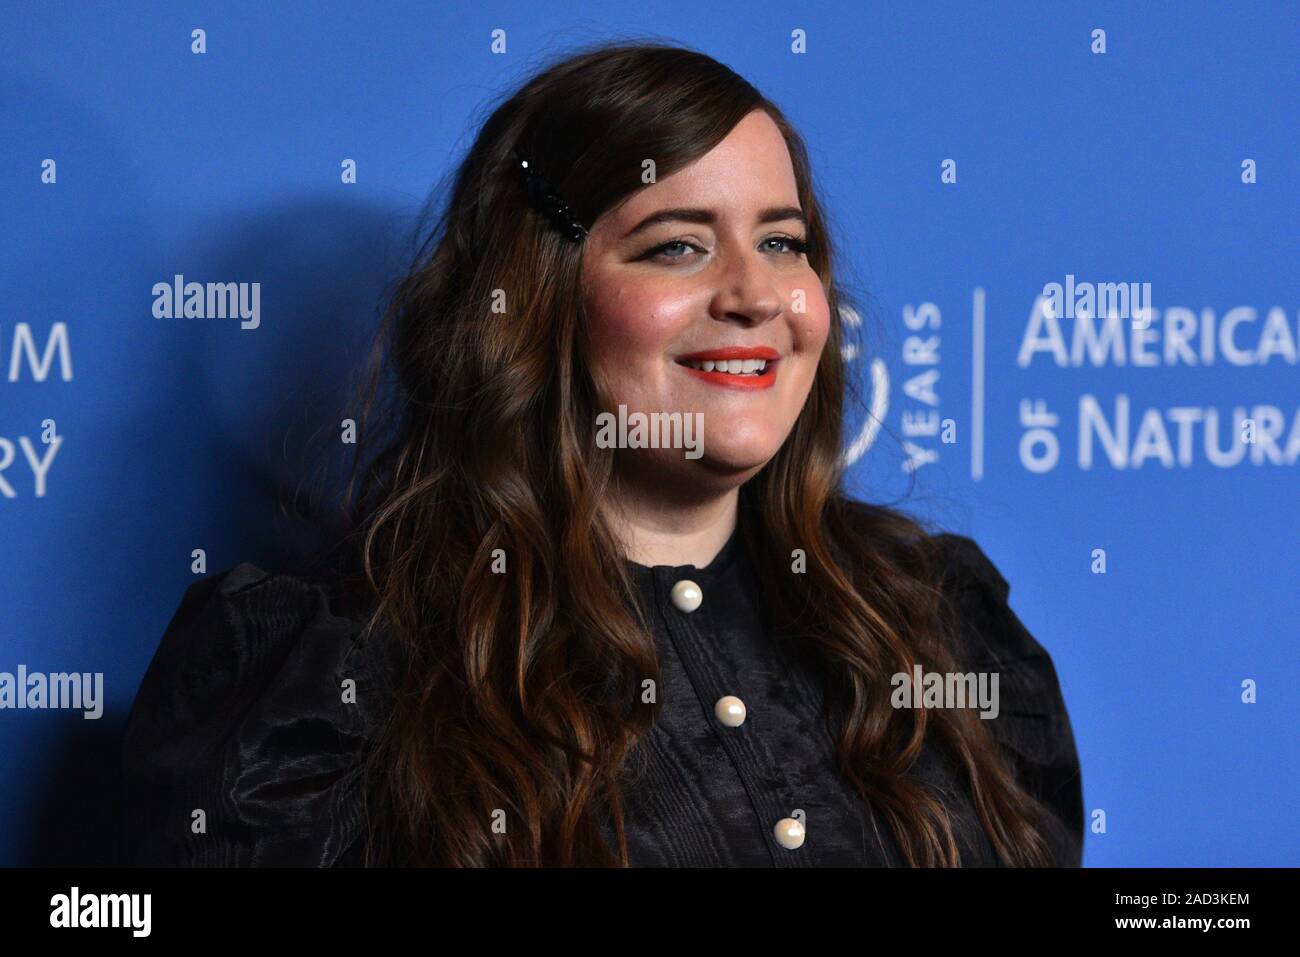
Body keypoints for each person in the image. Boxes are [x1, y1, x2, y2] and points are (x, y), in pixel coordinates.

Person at [121, 41, 1084, 867]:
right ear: (536, 300)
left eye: (784, 243)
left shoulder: (935, 623)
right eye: (676, 246)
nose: (755, 293)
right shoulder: (338, 677)